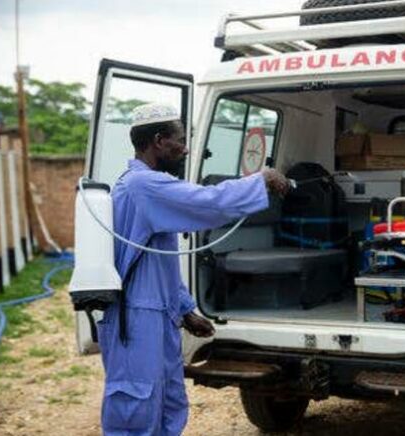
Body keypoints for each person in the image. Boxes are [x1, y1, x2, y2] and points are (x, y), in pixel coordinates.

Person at [97, 103, 290, 435]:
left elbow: (161, 262)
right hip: (135, 315)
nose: (185, 148)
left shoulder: (150, 186)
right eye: (180, 139)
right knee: (135, 405)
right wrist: (260, 180)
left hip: (158, 313)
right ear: (158, 140)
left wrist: (186, 310)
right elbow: (207, 201)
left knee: (168, 401)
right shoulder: (142, 186)